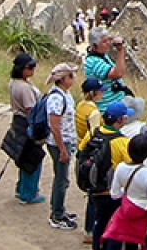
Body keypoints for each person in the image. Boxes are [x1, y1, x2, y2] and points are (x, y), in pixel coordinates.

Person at [85, 102, 138, 248]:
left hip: (94, 187)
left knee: (100, 222)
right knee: (113, 226)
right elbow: (131, 165)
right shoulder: (122, 142)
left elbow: (82, 151)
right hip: (111, 191)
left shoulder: (93, 134)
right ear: (119, 120)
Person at [46, 63, 84, 230]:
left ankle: (59, 209)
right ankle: (57, 214)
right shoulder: (56, 98)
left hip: (66, 141)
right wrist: (62, 149)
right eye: (70, 76)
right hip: (59, 144)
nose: (73, 79)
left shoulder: (64, 95)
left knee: (62, 178)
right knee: (61, 179)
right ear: (62, 79)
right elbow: (55, 126)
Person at [10, 53, 49, 202]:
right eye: (30, 67)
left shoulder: (14, 83)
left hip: (19, 122)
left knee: (24, 157)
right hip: (29, 124)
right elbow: (31, 109)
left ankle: (22, 188)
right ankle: (29, 192)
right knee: (33, 159)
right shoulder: (24, 88)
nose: (33, 69)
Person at [103, 158, 147, 250]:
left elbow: (115, 194)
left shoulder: (121, 168)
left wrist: (127, 191)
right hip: (144, 217)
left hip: (125, 213)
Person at [84, 34, 143, 113]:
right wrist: (120, 51)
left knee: (137, 103)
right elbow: (118, 73)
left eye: (108, 40)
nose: (108, 43)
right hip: (108, 106)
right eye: (104, 42)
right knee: (139, 104)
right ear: (94, 46)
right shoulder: (94, 62)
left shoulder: (101, 56)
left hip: (116, 100)